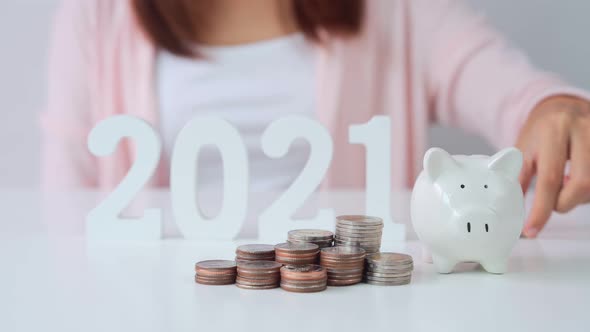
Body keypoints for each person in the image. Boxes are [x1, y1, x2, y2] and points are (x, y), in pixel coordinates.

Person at [41, 0, 590, 238]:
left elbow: (513, 91)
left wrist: (556, 108)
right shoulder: (99, 12)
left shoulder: (396, 9)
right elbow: (63, 200)